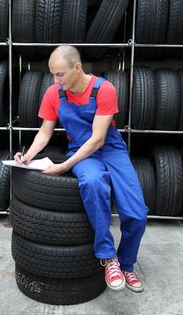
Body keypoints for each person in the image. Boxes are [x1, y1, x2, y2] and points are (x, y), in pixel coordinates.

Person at [14, 45, 148, 293]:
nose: (55, 80)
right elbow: (45, 132)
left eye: (60, 74)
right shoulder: (55, 93)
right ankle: (108, 258)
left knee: (137, 213)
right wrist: (27, 155)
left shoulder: (103, 89)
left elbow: (98, 139)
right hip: (81, 152)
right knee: (93, 183)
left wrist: (64, 166)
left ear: (77, 67)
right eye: (53, 74)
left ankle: (127, 264)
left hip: (110, 148)